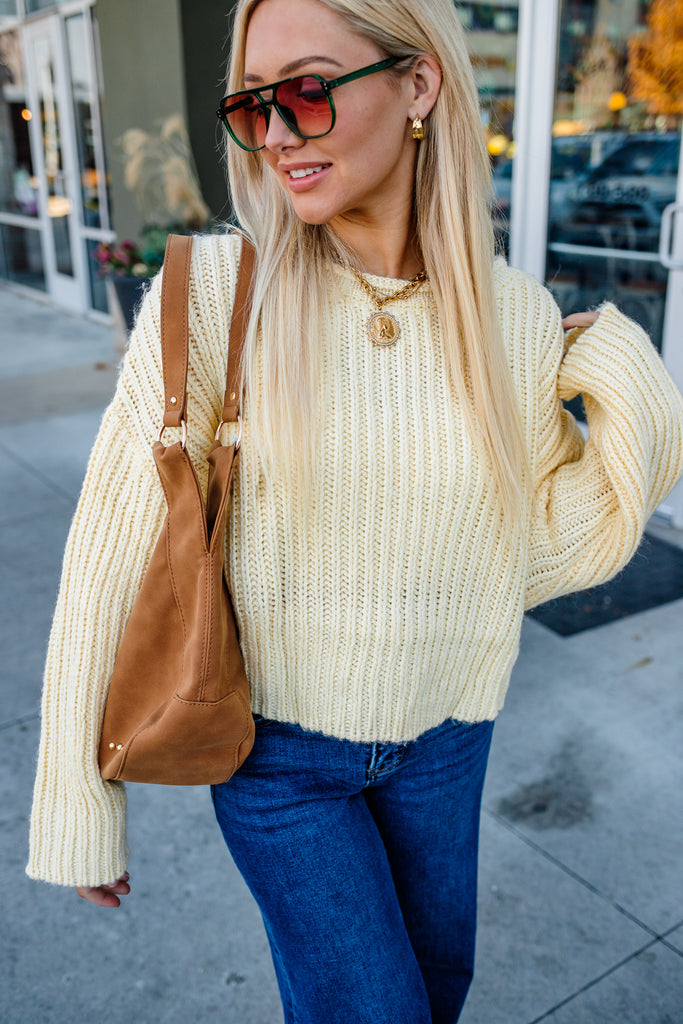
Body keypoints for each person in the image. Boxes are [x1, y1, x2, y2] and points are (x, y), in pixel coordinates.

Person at [27, 1, 683, 1022]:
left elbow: (555, 544)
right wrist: (76, 795)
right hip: (278, 758)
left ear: (417, 86)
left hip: (447, 739)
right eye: (254, 104)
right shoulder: (214, 293)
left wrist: (617, 360)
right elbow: (110, 550)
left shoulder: (508, 318)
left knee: (433, 993)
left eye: (306, 91)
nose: (277, 131)